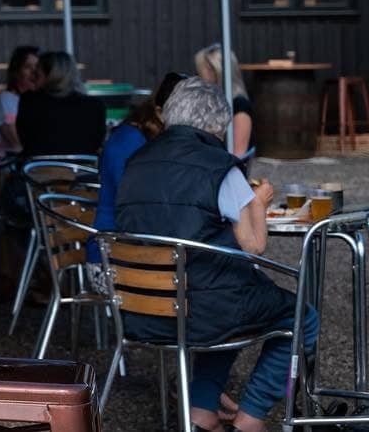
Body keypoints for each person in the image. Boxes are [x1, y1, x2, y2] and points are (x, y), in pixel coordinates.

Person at [116, 76, 316, 432]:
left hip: (141, 310)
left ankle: (202, 412)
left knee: (223, 304)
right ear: (215, 123)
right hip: (201, 311)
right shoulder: (219, 166)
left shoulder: (136, 162)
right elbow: (255, 246)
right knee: (302, 316)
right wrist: (257, 201)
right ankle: (251, 416)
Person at [88, 72, 178, 264]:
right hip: (110, 259)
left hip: (140, 253)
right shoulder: (129, 141)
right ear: (161, 113)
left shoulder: (152, 139)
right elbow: (134, 205)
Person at [14, 51, 106, 158]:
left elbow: (25, 141)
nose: (32, 78)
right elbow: (96, 143)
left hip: (37, 170)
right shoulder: (95, 105)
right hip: (81, 170)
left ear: (51, 75)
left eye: (37, 74)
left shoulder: (29, 101)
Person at [195, 43, 253, 157]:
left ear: (216, 71)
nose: (198, 77)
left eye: (201, 72)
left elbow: (238, 156)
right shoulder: (214, 103)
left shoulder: (239, 106)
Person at [0, 45, 39, 157]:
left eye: (37, 67)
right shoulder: (6, 99)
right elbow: (16, 143)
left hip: (35, 161)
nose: (34, 72)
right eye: (28, 67)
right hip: (12, 164)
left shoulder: (38, 100)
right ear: (16, 71)